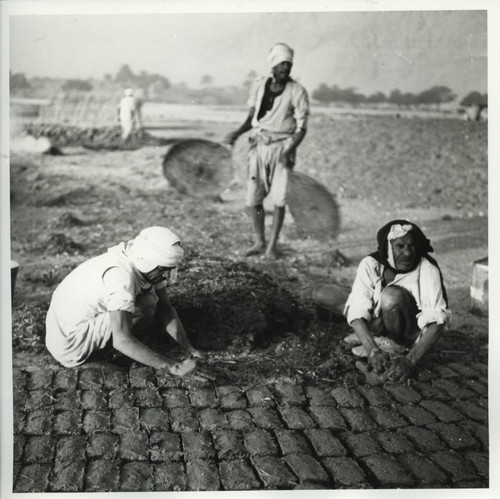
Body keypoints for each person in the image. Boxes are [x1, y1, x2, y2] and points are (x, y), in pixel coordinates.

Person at [46, 226, 203, 375]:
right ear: (148, 263)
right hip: (69, 341)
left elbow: (165, 308)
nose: (167, 277)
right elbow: (122, 340)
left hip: (76, 321)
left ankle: (121, 345)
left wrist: (188, 348)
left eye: (169, 270)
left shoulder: (144, 259)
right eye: (163, 270)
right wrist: (174, 367)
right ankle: (90, 359)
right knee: (145, 306)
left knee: (149, 302)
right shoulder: (121, 279)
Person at [312, 220, 451, 382]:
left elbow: (438, 322)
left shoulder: (427, 268)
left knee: (391, 295)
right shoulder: (370, 264)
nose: (407, 253)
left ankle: (395, 345)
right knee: (321, 293)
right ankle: (375, 339)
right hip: (380, 319)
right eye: (400, 246)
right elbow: (357, 306)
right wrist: (372, 349)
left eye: (411, 246)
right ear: (388, 248)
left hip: (407, 331)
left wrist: (410, 360)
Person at [224, 42, 310, 259]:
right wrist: (237, 133)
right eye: (281, 64)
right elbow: (253, 117)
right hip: (260, 145)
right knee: (255, 197)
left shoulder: (297, 92)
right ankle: (259, 241)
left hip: (283, 147)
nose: (285, 69)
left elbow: (302, 128)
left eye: (288, 65)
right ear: (273, 65)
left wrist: (290, 149)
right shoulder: (260, 85)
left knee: (280, 198)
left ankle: (273, 247)